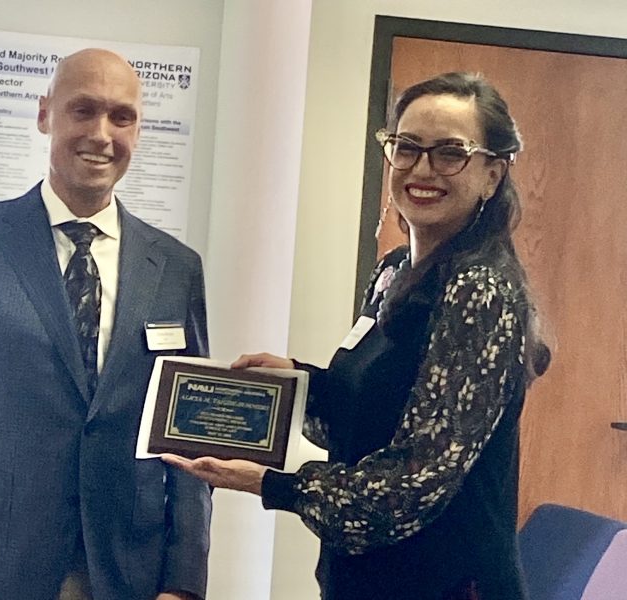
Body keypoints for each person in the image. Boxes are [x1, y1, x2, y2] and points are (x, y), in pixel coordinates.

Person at [163, 72, 550, 600]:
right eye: (407, 147)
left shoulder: (481, 291)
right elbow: (363, 420)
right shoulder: (394, 271)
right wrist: (296, 387)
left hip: (445, 585)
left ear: (491, 174)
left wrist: (270, 484)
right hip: (365, 580)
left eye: (450, 153)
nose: (422, 168)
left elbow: (409, 487)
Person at [0, 48, 211, 600]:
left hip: (128, 571)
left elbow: (187, 434)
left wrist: (183, 583)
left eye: (122, 116)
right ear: (46, 115)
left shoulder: (176, 268)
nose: (102, 134)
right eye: (83, 110)